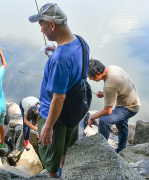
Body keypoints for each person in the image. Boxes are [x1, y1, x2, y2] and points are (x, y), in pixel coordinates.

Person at [29, 3, 89, 178]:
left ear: (52, 25)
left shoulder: (60, 60)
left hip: (55, 116)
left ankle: (55, 175)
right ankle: (65, 168)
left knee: (51, 159)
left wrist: (47, 127)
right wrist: (57, 51)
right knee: (65, 150)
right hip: (75, 110)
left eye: (42, 25)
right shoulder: (80, 42)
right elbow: (76, 69)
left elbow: (59, 98)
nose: (41, 31)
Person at [87, 59, 140, 153]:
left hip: (129, 107)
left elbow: (107, 111)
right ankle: (122, 149)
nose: (90, 79)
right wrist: (105, 94)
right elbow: (118, 85)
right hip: (132, 99)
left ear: (98, 74)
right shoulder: (113, 68)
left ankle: (102, 150)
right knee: (121, 124)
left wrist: (92, 118)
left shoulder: (109, 86)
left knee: (104, 120)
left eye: (90, 77)